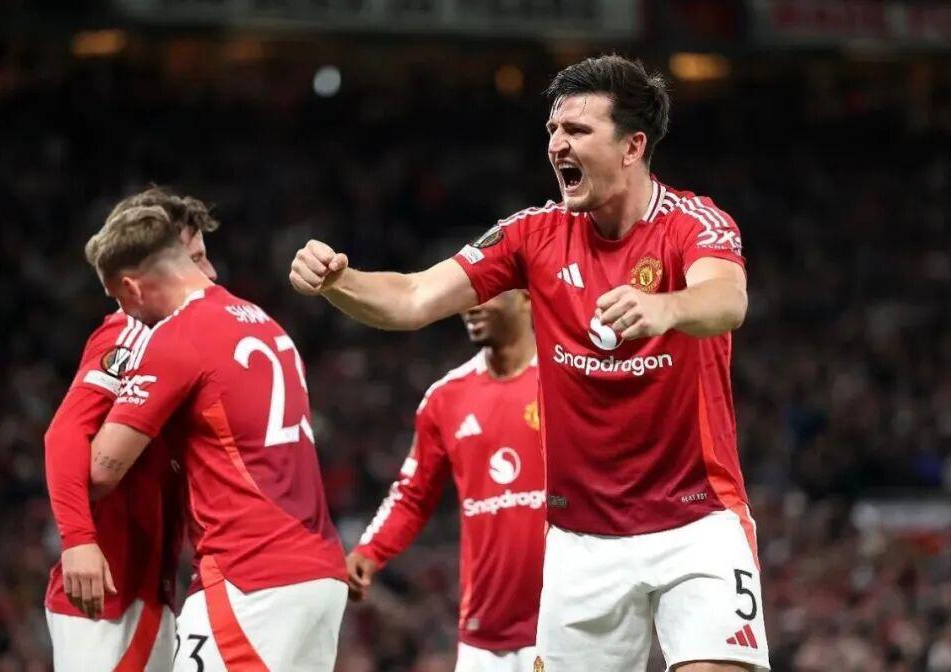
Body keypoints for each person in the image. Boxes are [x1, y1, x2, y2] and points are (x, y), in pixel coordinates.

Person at [290, 55, 768, 672]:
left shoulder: (692, 223)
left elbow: (727, 299)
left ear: (633, 147)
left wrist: (666, 307)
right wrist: (339, 281)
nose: (557, 144)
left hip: (696, 522)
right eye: (553, 130)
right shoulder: (531, 234)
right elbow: (413, 297)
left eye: (578, 130)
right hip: (581, 542)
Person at [84, 204, 347, 671]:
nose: (124, 314)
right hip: (320, 575)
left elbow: (101, 472)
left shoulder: (177, 337)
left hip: (250, 576)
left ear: (130, 287)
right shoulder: (265, 323)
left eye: (117, 299)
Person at [43, 187, 219, 671]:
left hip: (149, 590)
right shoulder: (130, 333)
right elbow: (63, 434)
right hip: (108, 596)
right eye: (196, 259)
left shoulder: (178, 339)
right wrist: (78, 541)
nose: (210, 274)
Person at [349, 290, 545, 672]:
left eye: (487, 292)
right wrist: (369, 552)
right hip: (485, 633)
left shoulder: (567, 380)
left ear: (526, 296)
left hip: (568, 620)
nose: (471, 305)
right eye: (467, 294)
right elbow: (412, 495)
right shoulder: (445, 399)